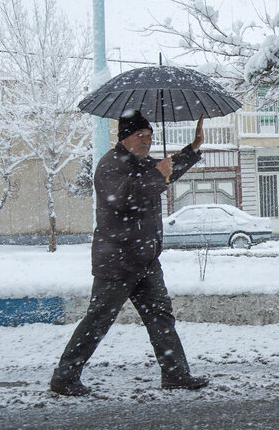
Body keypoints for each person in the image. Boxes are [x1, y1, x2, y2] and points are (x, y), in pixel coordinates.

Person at [50, 112, 208, 396]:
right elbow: (124, 198)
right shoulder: (110, 166)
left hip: (145, 260)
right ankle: (65, 377)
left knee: (161, 317)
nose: (147, 141)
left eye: (149, 136)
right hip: (118, 262)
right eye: (140, 136)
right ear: (125, 138)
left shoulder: (141, 164)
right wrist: (158, 174)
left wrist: (192, 149)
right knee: (98, 319)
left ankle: (176, 374)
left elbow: (167, 169)